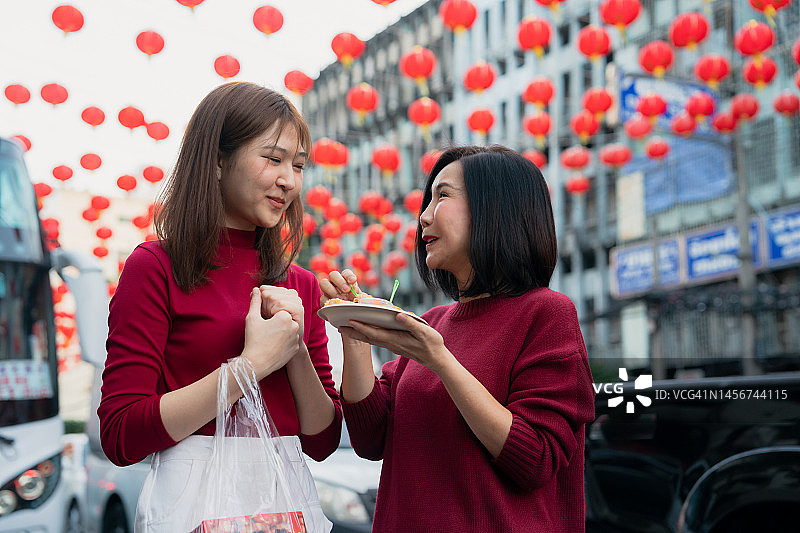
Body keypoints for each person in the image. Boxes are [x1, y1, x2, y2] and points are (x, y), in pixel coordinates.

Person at [98, 82, 340, 532]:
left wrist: (295, 348)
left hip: (285, 502)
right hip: (193, 503)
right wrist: (248, 368)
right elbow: (121, 434)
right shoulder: (155, 268)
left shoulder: (300, 284)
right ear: (216, 159)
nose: (289, 179)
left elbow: (322, 440)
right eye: (273, 158)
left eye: (298, 165)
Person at [320, 145, 596, 532]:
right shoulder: (433, 322)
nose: (423, 217)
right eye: (426, 200)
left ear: (494, 209)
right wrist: (353, 328)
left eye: (443, 196)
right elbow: (370, 439)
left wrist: (441, 361)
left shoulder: (548, 313)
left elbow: (535, 458)